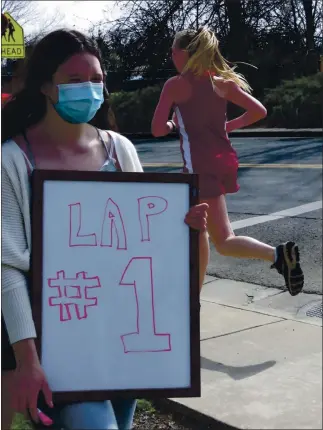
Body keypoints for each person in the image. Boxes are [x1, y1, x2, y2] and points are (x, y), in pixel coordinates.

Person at [1, 29, 208, 430]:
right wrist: (28, 361)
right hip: (56, 349)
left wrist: (182, 229)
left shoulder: (120, 149)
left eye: (96, 80)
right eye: (75, 81)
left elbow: (146, 246)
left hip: (121, 340)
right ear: (46, 86)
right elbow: (7, 268)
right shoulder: (12, 160)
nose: (90, 90)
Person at [151, 26, 304, 296]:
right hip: (222, 164)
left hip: (198, 169)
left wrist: (173, 126)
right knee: (208, 234)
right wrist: (226, 127)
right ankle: (277, 256)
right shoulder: (222, 84)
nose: (170, 56)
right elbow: (259, 111)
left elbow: (156, 129)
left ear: (184, 54)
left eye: (172, 51)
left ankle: (194, 300)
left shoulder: (175, 85)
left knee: (213, 237)